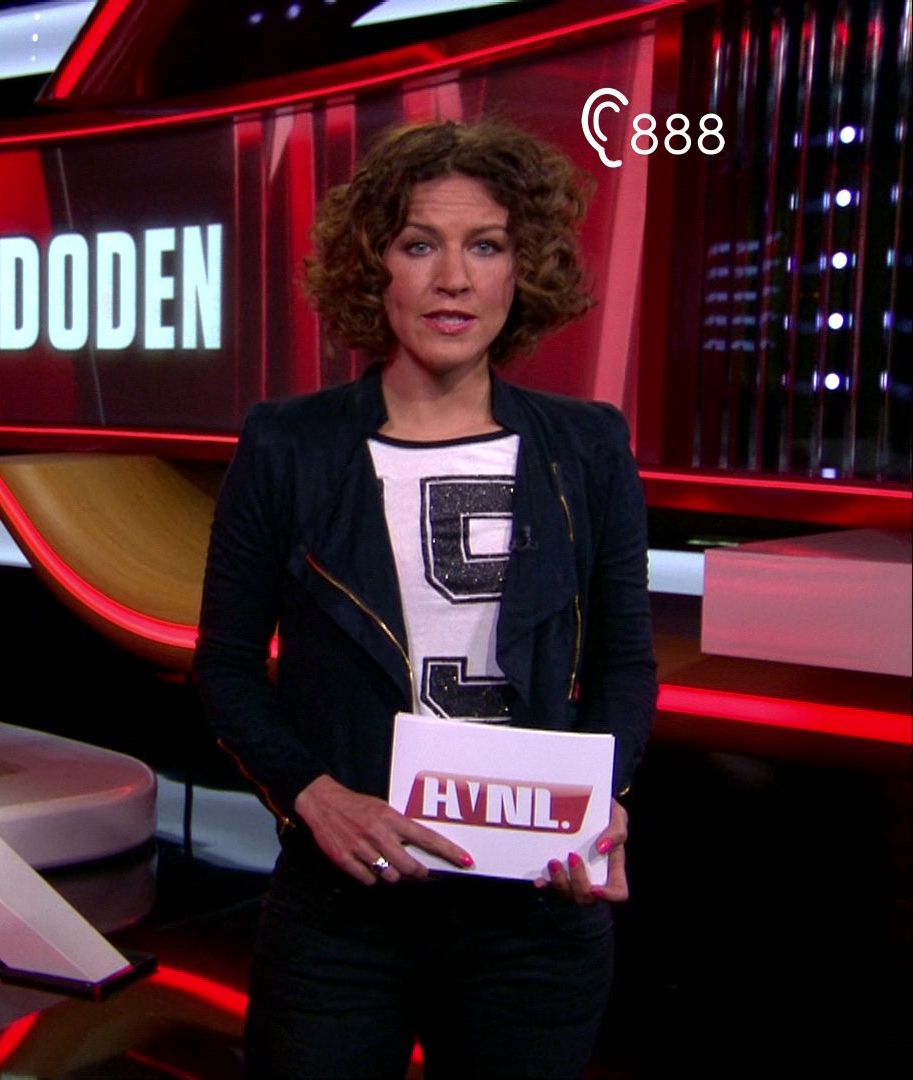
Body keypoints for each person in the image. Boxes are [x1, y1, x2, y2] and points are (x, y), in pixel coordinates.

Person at [193, 119, 657, 1079]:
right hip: (342, 917)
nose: (453, 279)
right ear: (375, 270)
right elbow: (227, 671)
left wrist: (601, 798)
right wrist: (314, 796)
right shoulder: (288, 445)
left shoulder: (588, 447)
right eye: (419, 246)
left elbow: (626, 663)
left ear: (521, 270)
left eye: (484, 246)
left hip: (536, 918)